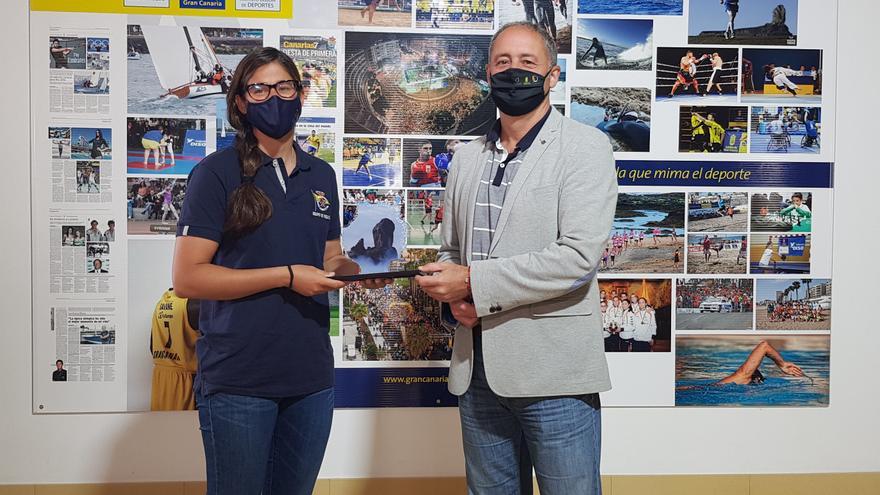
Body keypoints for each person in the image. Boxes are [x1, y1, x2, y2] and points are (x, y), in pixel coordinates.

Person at [172, 47, 390, 495]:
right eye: (260, 88)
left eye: (284, 86)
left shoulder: (321, 175)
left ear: (301, 94)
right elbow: (189, 278)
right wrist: (287, 275)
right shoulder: (216, 173)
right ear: (240, 101)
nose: (274, 97)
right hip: (238, 379)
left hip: (310, 377)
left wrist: (356, 271)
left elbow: (330, 256)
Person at [415, 22, 615, 494]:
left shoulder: (586, 148)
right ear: (487, 73)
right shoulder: (464, 158)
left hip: (556, 376)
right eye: (503, 63)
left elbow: (576, 258)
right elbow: (452, 251)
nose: (514, 72)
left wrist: (472, 284)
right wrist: (452, 301)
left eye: (527, 63)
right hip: (477, 372)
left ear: (553, 74)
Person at [715, 340, 804, 385]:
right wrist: (782, 364)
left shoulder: (737, 380)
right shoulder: (743, 378)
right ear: (757, 380)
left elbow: (764, 346)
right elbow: (764, 346)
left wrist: (782, 364)